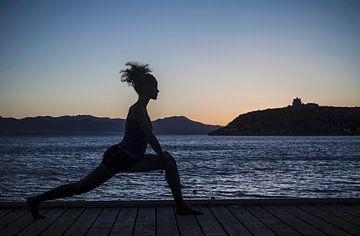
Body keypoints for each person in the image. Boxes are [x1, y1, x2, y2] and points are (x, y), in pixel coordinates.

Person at [26, 62, 202, 219]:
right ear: (145, 88)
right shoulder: (138, 109)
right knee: (82, 187)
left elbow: (146, 138)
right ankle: (36, 200)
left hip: (132, 158)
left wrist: (162, 156)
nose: (158, 90)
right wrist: (160, 154)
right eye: (155, 87)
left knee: (169, 162)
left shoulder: (142, 108)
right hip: (121, 158)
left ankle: (180, 206)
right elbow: (149, 135)